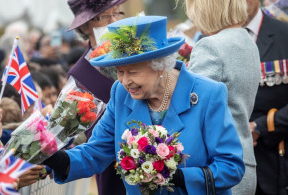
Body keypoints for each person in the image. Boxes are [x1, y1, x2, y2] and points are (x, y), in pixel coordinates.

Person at [43, 16, 245, 194]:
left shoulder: (207, 94)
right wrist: (58, 159)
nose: (124, 81)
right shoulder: (121, 94)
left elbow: (231, 167)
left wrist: (180, 177)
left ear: (159, 66)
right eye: (119, 72)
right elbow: (96, 151)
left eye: (132, 72)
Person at [184, 0, 261, 194]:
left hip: (217, 169)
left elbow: (191, 107)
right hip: (243, 162)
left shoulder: (211, 46)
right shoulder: (247, 40)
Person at [65, 0, 127, 194]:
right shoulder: (79, 74)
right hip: (113, 164)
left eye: (117, 14)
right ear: (85, 25)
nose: (114, 21)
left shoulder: (132, 57)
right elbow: (90, 131)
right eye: (106, 16)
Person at [244, 0, 288, 194]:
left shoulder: (284, 34)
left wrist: (261, 127)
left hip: (278, 161)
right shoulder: (209, 39)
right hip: (233, 170)